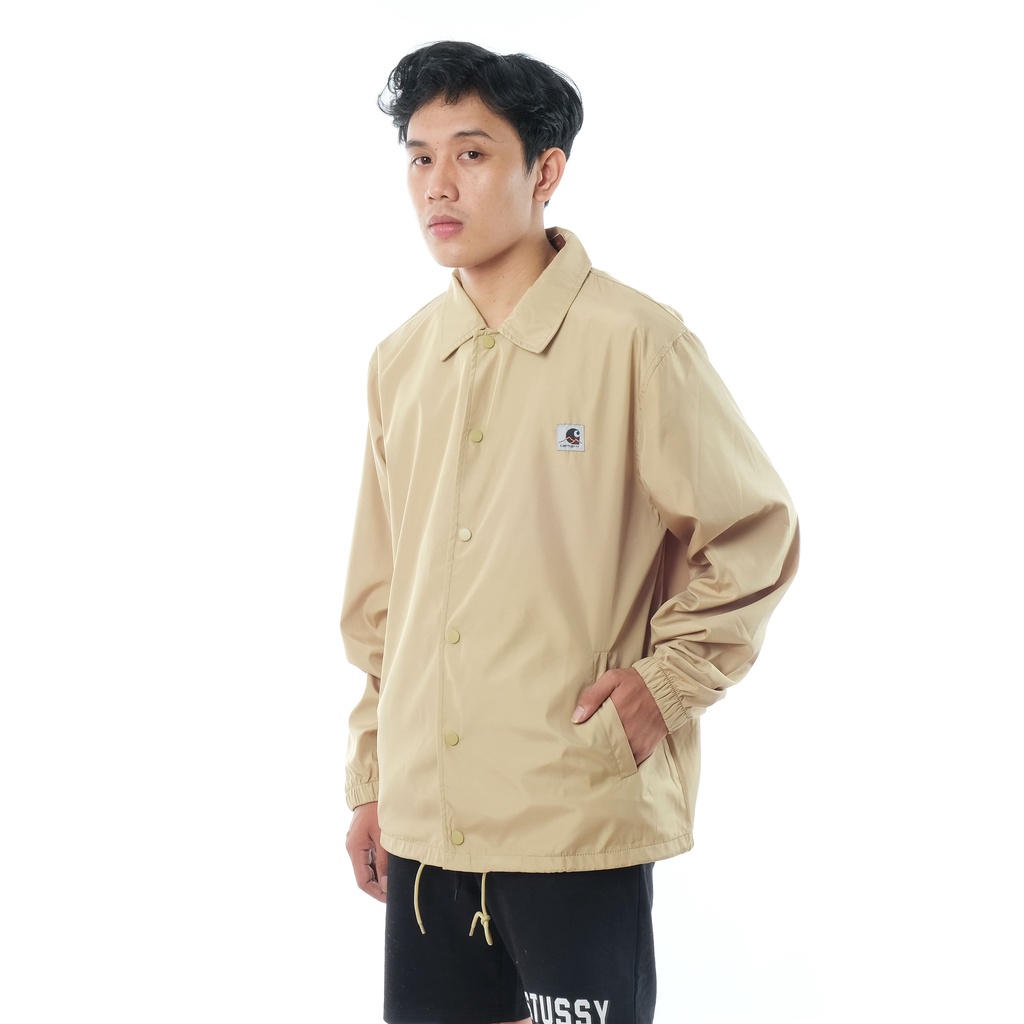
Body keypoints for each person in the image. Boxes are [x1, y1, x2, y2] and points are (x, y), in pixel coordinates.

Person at [341, 40, 799, 1024]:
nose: (437, 185)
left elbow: (753, 534)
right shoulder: (401, 362)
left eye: (471, 154)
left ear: (544, 171)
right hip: (425, 826)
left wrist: (666, 684)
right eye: (419, 158)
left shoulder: (636, 342)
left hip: (570, 813)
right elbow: (383, 600)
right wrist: (372, 778)